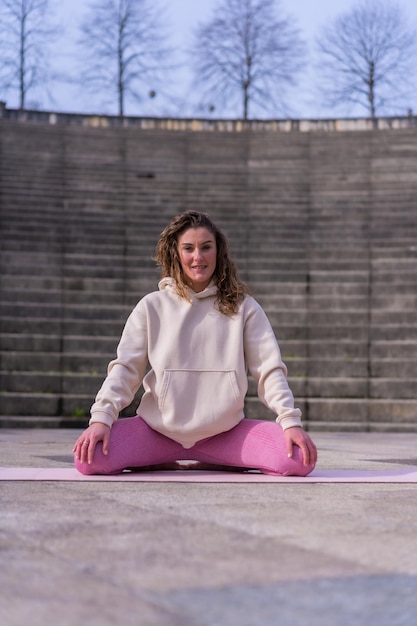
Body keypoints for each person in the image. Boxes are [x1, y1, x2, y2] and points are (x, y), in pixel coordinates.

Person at [73, 210, 317, 476]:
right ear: (175, 253)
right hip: (157, 432)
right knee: (90, 459)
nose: (198, 257)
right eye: (188, 248)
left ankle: (218, 459)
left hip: (226, 435)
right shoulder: (151, 306)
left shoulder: (243, 307)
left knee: (298, 461)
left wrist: (289, 421)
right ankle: (158, 458)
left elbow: (269, 369)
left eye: (206, 247)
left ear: (218, 252)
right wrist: (102, 418)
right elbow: (125, 368)